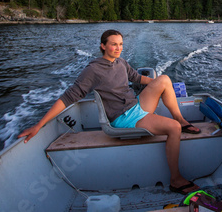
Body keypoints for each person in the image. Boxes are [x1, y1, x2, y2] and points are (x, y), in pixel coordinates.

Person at [18, 29, 200, 195]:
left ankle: (181, 118)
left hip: (135, 106)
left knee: (165, 79)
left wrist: (157, 85)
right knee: (173, 128)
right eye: (113, 44)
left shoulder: (120, 62)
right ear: (103, 46)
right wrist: (39, 125)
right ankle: (175, 180)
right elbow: (69, 97)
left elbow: (136, 77)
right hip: (123, 118)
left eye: (120, 44)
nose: (118, 48)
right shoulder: (93, 70)